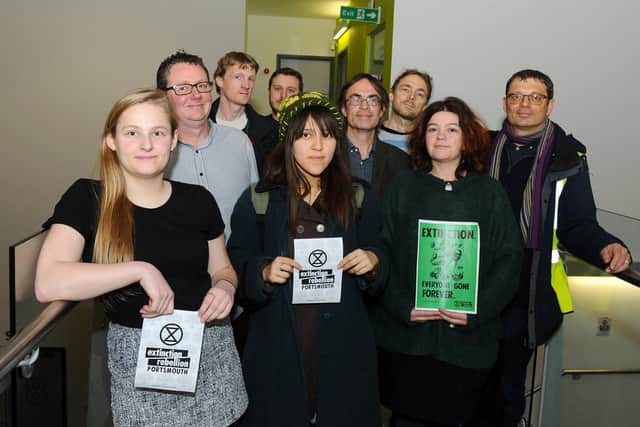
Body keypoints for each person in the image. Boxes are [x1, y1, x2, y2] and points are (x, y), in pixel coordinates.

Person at [34, 89, 247, 425]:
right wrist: (139, 269)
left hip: (214, 355)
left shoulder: (198, 200)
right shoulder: (88, 198)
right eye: (132, 132)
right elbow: (48, 283)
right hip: (138, 365)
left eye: (158, 133)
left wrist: (225, 288)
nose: (146, 144)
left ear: (174, 140)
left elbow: (222, 268)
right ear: (111, 140)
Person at [470, 69, 632, 427]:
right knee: (464, 390)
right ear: (504, 103)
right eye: (516, 96)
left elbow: (577, 224)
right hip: (474, 288)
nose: (524, 104)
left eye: (535, 97)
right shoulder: (480, 148)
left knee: (506, 395)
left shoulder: (566, 157)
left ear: (550, 105)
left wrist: (608, 245)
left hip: (524, 294)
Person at [227, 92, 387, 426]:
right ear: (288, 142)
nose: (318, 146)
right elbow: (235, 265)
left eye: (327, 135)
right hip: (278, 342)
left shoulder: (359, 197)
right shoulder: (260, 200)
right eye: (306, 135)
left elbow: (385, 255)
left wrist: (373, 260)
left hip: (343, 344)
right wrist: (264, 271)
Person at [369, 97, 522, 427]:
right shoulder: (403, 187)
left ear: (466, 137)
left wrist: (476, 310)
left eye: (451, 129)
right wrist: (401, 306)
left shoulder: (489, 192)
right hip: (408, 342)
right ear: (422, 136)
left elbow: (509, 261)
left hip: (467, 346)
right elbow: (381, 252)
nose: (441, 136)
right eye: (433, 129)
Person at [157, 50, 258, 239]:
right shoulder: (153, 152)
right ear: (163, 96)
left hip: (238, 264)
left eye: (202, 85)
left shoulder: (240, 143)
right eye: (183, 88)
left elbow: (257, 212)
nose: (196, 95)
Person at [338, 73, 410, 196]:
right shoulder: (326, 155)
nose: (364, 106)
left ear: (382, 110)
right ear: (344, 109)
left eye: (373, 100)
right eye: (356, 99)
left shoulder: (401, 161)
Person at [210, 51, 278, 176]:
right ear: (220, 80)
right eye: (238, 77)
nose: (246, 85)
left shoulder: (269, 131)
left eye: (251, 79)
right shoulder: (200, 125)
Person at [379, 69, 432, 152]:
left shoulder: (429, 142)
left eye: (419, 94)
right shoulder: (371, 136)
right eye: (405, 90)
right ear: (391, 95)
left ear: (425, 105)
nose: (411, 97)